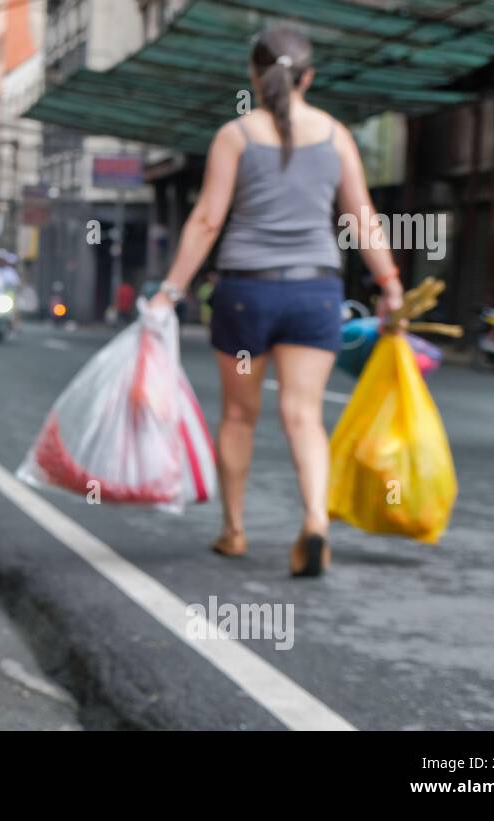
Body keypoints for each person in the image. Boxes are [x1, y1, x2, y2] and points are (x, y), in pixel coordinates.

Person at [148, 25, 404, 577]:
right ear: (307, 77)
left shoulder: (235, 135)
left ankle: (234, 531)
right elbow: (362, 219)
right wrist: (391, 285)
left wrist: (169, 292)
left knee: (240, 416)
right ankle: (315, 521)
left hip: (246, 292)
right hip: (315, 291)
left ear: (252, 75)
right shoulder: (336, 135)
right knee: (304, 416)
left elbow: (209, 219)